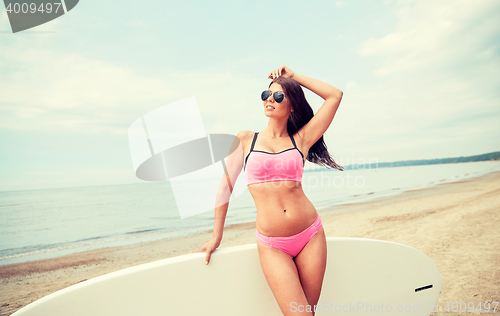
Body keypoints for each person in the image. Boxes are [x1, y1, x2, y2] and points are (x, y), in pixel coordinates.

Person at [192, 65, 343, 316]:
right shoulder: (245, 139)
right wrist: (216, 236)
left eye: (279, 95)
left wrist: (294, 77)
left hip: (310, 235)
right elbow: (225, 188)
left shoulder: (301, 139)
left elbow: (334, 95)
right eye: (266, 94)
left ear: (292, 105)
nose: (270, 99)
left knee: (309, 313)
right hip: (273, 244)